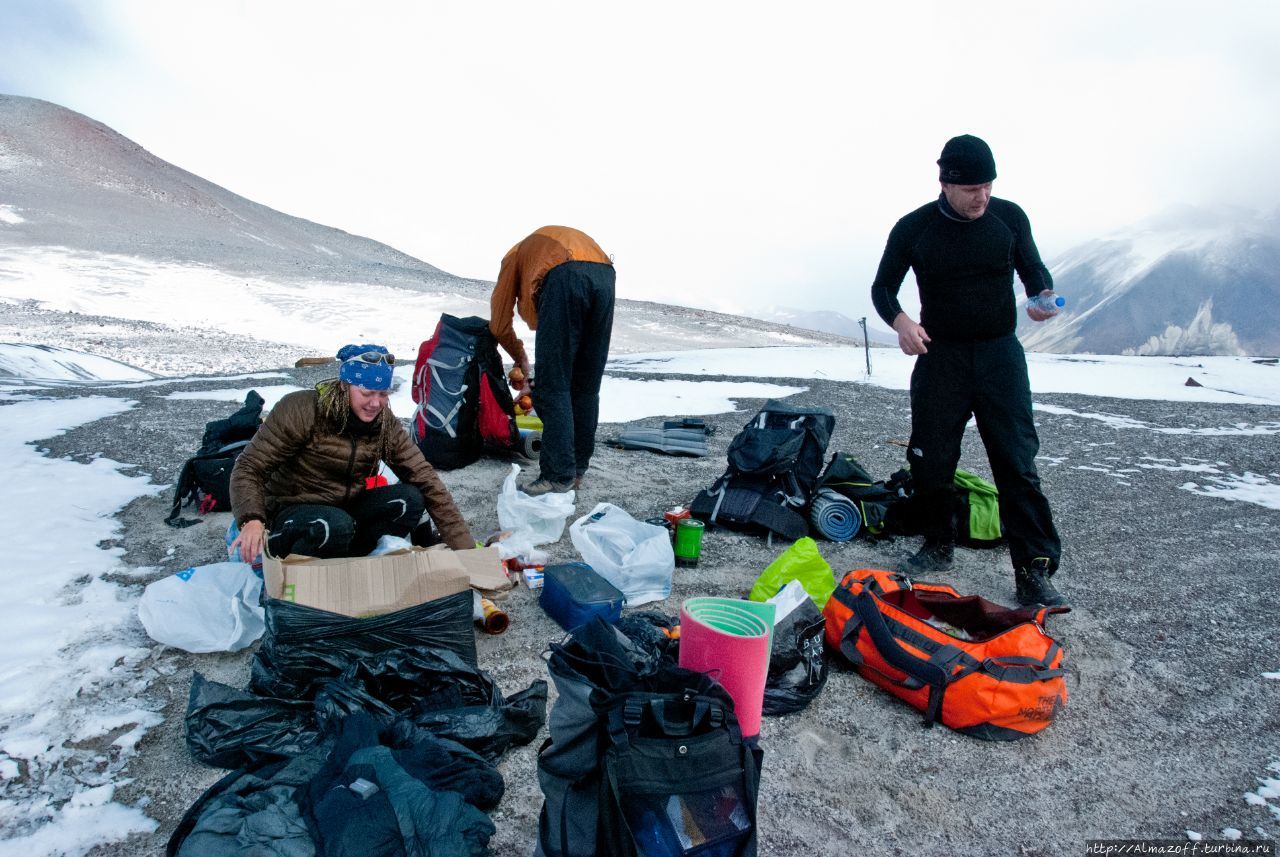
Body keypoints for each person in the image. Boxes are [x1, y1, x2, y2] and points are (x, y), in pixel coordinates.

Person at [869, 134, 1067, 607]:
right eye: (973, 188)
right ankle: (938, 543)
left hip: (1001, 355)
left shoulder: (1009, 216)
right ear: (947, 184)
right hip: (941, 356)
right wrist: (902, 323)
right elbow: (883, 289)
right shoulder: (914, 228)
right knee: (932, 459)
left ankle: (1033, 569)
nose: (982, 196)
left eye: (989, 186)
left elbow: (1034, 270)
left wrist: (1042, 299)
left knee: (1016, 462)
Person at [230, 343, 474, 563]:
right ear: (345, 386)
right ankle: (287, 560)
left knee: (409, 500)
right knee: (333, 526)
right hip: (294, 511)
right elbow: (249, 467)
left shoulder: (383, 423)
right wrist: (251, 519)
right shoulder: (300, 410)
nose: (375, 403)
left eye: (383, 394)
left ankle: (351, 565)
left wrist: (467, 552)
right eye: (367, 393)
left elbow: (424, 477)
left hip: (344, 511)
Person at [489, 225, 615, 496]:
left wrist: (519, 355)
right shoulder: (537, 251)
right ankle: (577, 470)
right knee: (586, 386)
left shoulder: (513, 258)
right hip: (605, 275)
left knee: (552, 387)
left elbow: (499, 324)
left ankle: (558, 476)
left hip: (565, 275)